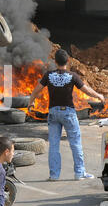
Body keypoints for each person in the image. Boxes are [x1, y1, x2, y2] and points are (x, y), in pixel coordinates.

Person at [28, 49, 105, 181]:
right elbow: (86, 90)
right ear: (68, 61)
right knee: (75, 143)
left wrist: (30, 103)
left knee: (53, 145)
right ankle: (79, 173)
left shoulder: (48, 75)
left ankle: (54, 175)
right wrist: (99, 96)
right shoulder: (72, 76)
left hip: (53, 113)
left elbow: (36, 91)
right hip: (68, 113)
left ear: (55, 61)